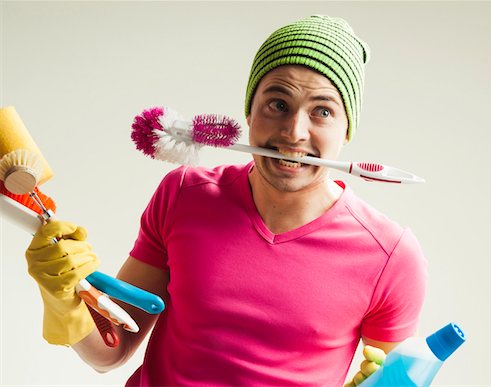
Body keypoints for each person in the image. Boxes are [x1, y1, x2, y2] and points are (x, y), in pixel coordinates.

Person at [25, 15, 428, 386]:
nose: (294, 132)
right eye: (278, 104)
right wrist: (64, 300)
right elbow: (111, 351)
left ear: (346, 131)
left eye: (322, 111)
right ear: (249, 113)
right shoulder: (183, 196)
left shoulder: (390, 256)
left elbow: (394, 380)